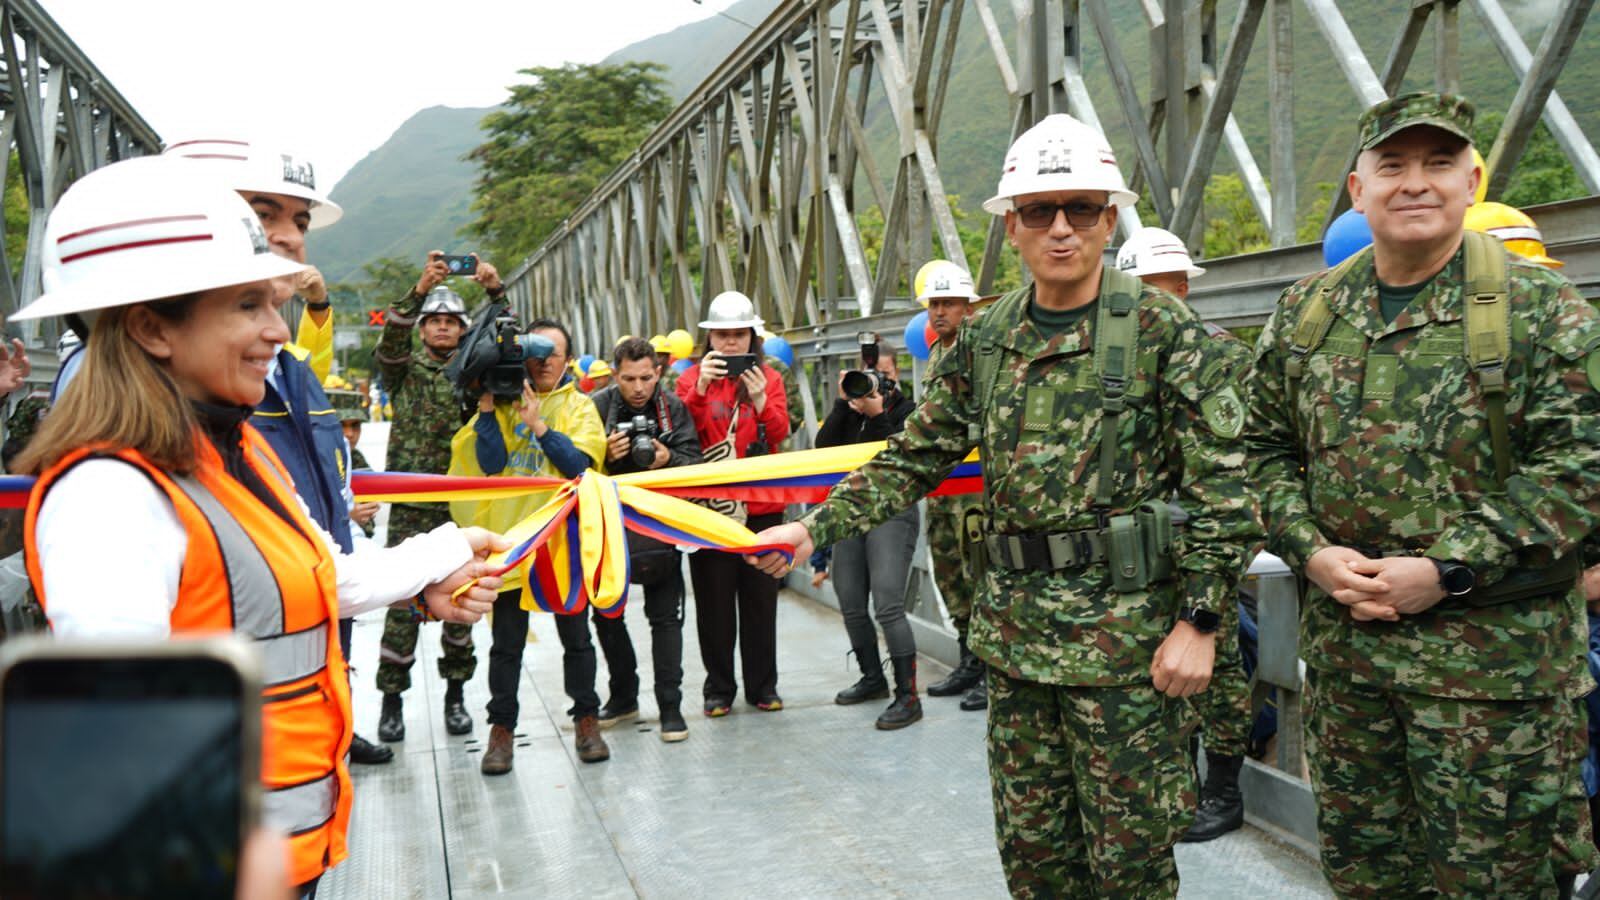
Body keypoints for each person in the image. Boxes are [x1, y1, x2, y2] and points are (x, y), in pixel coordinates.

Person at [746, 114, 1257, 897]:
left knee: (1130, 868)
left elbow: (1225, 490)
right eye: (1040, 211)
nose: (1062, 228)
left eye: (1081, 208)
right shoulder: (986, 340)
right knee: (1035, 862)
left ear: (1109, 219)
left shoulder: (1164, 330)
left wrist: (1202, 622)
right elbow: (915, 455)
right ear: (1011, 226)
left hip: (1128, 651)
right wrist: (814, 528)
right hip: (1016, 646)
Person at [13, 157, 506, 897]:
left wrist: (443, 554)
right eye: (248, 304)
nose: (279, 329)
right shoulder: (111, 494)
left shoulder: (232, 450)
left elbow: (325, 576)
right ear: (150, 326)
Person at [1246, 92, 1600, 896]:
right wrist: (1312, 553)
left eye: (1439, 163)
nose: (1415, 182)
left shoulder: (1542, 309)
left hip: (1494, 686)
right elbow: (1260, 451)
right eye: (1393, 165)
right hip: (1352, 674)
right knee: (1367, 877)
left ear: (1471, 182)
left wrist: (1445, 570)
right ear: (1357, 188)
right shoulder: (1307, 312)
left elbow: (1582, 466)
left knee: (1499, 884)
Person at [166, 138, 396, 766]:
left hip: (300, 699)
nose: (291, 237)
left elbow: (318, 550)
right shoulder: (138, 414)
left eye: (299, 220)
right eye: (262, 214)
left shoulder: (285, 370)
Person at [1118, 227, 1255, 842]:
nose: (1149, 304)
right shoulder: (1118, 357)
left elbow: (1241, 457)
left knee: (1217, 663)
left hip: (1207, 534)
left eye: (1159, 290)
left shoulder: (1219, 354)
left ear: (1182, 287)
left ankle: (1222, 791)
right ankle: (1177, 780)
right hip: (1146, 541)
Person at [450, 316, 609, 773]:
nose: (542, 363)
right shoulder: (501, 402)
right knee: (506, 646)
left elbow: (580, 466)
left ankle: (587, 721)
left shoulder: (579, 407)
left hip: (563, 545)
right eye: (533, 354)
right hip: (511, 543)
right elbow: (489, 463)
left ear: (567, 360)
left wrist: (538, 426)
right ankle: (501, 732)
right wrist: (486, 409)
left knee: (577, 640)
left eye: (551, 354)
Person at [373, 256, 496, 745]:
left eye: (451, 321)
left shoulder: (474, 371)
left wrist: (495, 291)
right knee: (401, 602)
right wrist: (420, 289)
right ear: (423, 328)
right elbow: (392, 338)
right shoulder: (403, 371)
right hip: (411, 503)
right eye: (434, 320)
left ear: (462, 329)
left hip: (457, 506)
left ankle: (456, 696)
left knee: (461, 601)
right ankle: (391, 700)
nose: (443, 327)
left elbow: (507, 337)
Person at [676, 292, 790, 717]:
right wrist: (700, 389)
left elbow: (779, 434)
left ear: (752, 337)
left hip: (761, 508)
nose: (729, 343)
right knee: (714, 604)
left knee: (761, 601)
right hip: (709, 508)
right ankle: (718, 689)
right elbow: (682, 432)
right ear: (708, 338)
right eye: (721, 335)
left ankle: (763, 686)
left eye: (738, 335)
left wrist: (760, 401)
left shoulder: (770, 378)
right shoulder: (690, 379)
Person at [589, 336, 703, 742]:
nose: (638, 388)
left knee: (665, 617)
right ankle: (623, 696)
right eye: (628, 379)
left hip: (659, 524)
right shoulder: (595, 407)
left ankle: (670, 707)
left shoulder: (673, 408)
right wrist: (603, 455)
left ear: (658, 372)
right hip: (608, 524)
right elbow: (573, 469)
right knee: (606, 613)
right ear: (613, 375)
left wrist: (668, 458)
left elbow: (696, 466)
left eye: (645, 378)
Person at [814, 348, 922, 729]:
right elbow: (823, 450)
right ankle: (872, 677)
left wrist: (878, 417)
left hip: (893, 511)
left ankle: (908, 696)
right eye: (867, 374)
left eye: (883, 373)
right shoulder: (850, 412)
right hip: (851, 511)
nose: (875, 380)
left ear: (897, 375)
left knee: (887, 603)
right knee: (849, 598)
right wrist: (843, 404)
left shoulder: (908, 411)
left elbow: (900, 460)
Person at [916, 261, 989, 712]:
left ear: (969, 308)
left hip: (973, 491)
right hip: (943, 488)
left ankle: (990, 670)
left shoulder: (979, 353)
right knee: (948, 574)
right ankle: (968, 660)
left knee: (978, 575)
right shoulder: (936, 353)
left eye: (949, 304)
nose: (940, 312)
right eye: (934, 304)